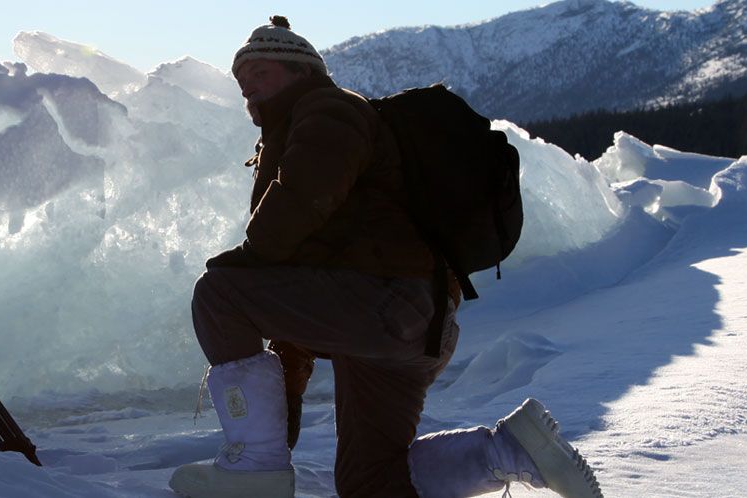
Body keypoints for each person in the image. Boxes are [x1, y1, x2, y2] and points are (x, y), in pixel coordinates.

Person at [167, 16, 602, 498]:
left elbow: (302, 200)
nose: (248, 86)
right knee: (370, 483)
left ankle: (253, 469)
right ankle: (513, 451)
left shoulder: (327, 110)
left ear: (300, 71)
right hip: (410, 323)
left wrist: (245, 260)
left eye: (260, 72)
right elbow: (302, 268)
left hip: (384, 300)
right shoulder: (305, 124)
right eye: (241, 79)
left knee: (219, 293)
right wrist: (288, 373)